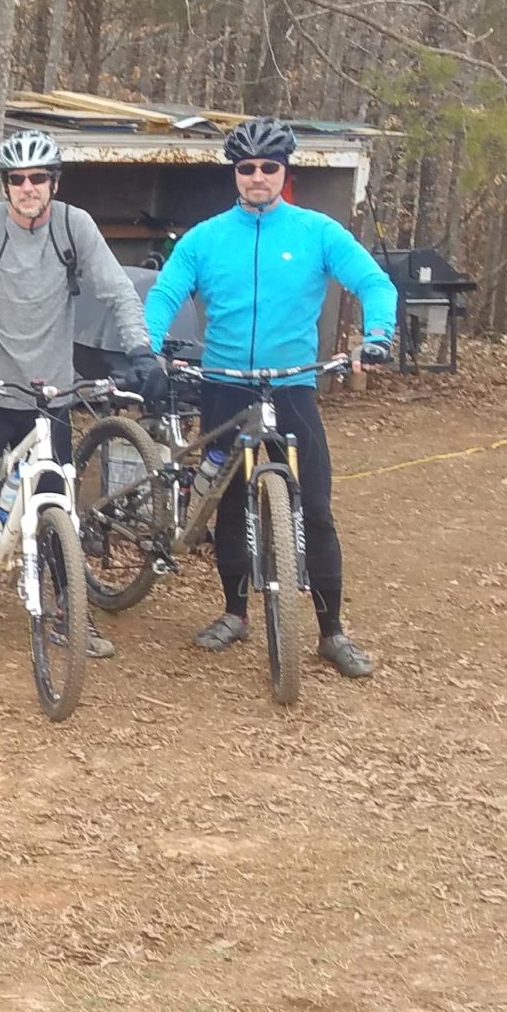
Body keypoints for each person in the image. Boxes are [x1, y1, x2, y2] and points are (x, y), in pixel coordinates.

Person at [145, 117, 398, 678]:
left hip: (292, 386)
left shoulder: (317, 232)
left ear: (285, 171)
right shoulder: (207, 237)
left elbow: (373, 282)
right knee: (227, 503)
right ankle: (235, 613)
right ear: (235, 174)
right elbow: (165, 292)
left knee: (317, 508)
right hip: (224, 384)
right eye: (246, 168)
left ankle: (331, 633)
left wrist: (377, 335)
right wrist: (149, 341)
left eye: (268, 168)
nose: (257, 177)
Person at [0, 129, 167, 659]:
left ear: (53, 183)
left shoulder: (73, 227)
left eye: (38, 178)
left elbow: (117, 290)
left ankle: (65, 613)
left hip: (49, 396)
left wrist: (141, 351)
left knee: (56, 502)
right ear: (7, 185)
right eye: (18, 179)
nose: (28, 187)